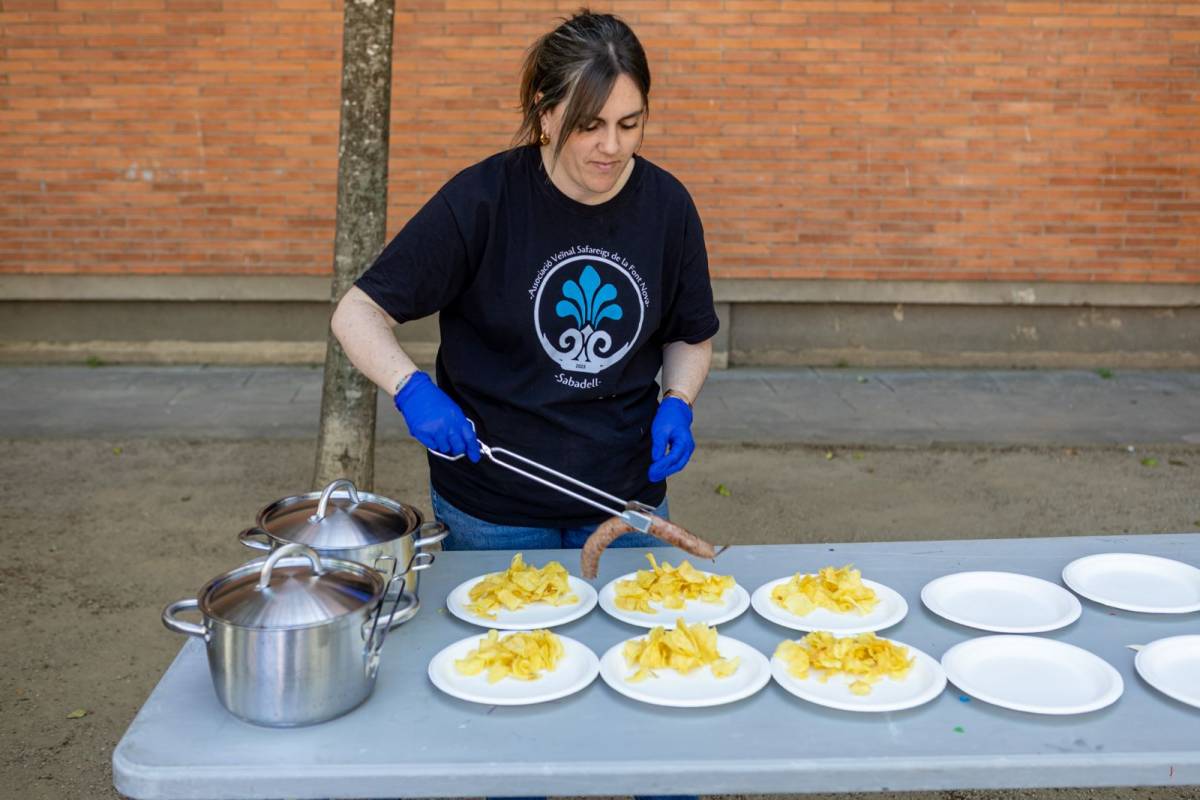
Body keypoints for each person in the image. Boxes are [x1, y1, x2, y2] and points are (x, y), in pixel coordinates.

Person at [331, 9, 718, 564]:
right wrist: (410, 388)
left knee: (633, 650)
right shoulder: (484, 200)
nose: (612, 147)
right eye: (590, 125)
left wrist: (679, 400)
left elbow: (689, 333)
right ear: (545, 110)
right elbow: (357, 311)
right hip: (493, 508)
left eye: (629, 124)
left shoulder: (668, 208)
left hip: (626, 501)